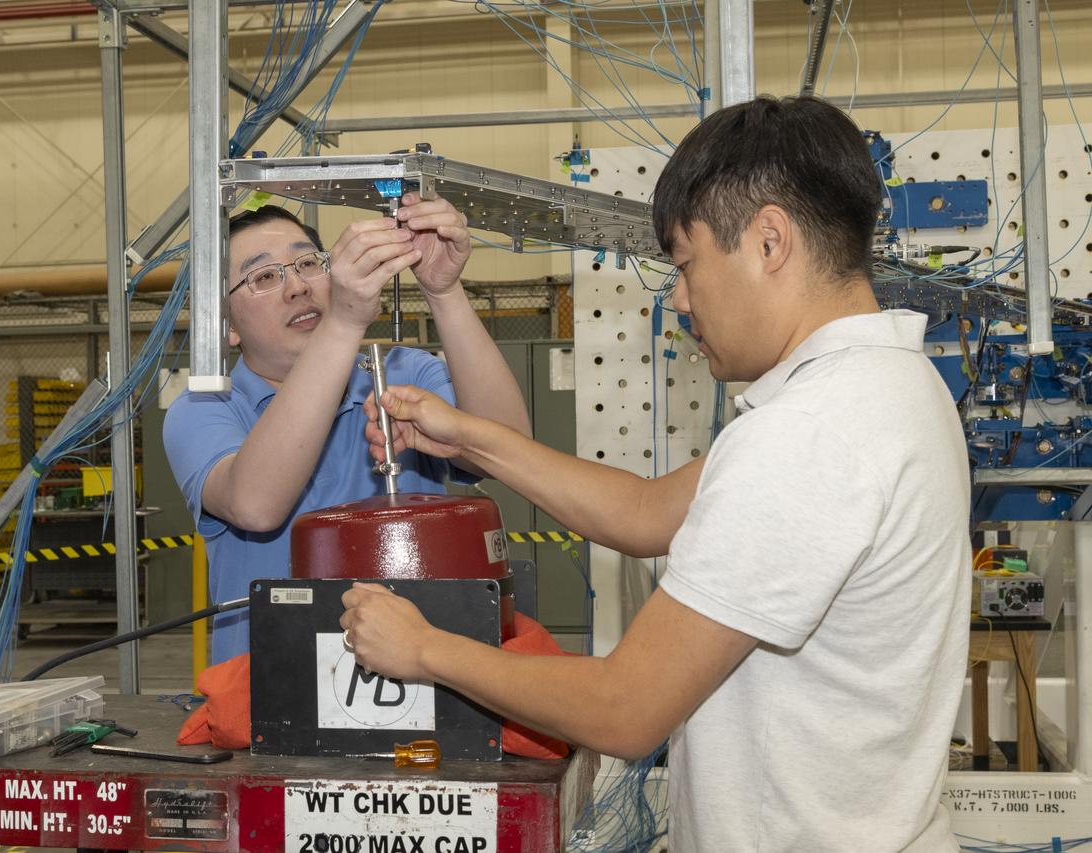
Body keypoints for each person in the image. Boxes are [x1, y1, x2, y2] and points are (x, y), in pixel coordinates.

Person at [342, 96, 970, 852]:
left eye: (686, 263)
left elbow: (625, 706)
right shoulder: (889, 383)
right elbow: (644, 513)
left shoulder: (809, 434)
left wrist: (424, 648)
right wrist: (468, 438)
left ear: (770, 242)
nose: (678, 297)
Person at [164, 196, 530, 664]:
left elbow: (509, 449)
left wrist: (444, 291)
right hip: (273, 694)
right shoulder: (206, 407)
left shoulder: (400, 375)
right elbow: (255, 505)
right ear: (227, 326)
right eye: (264, 276)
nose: (296, 286)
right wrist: (344, 322)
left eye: (308, 263)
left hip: (422, 679)